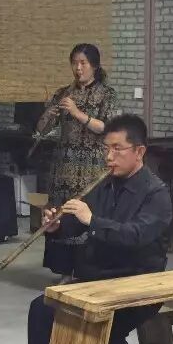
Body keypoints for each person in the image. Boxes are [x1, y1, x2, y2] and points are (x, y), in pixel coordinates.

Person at [26, 114, 171, 344]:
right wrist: (57, 225)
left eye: (118, 149)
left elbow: (135, 236)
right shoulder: (104, 183)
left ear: (139, 151)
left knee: (100, 325)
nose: (109, 156)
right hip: (97, 280)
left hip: (137, 283)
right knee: (42, 309)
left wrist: (92, 220)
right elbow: (78, 222)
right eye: (106, 148)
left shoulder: (156, 193)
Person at [34, 43, 119, 278]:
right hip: (63, 167)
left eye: (83, 63)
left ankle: (86, 271)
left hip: (92, 169)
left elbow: (107, 128)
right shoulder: (63, 93)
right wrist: (48, 115)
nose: (78, 68)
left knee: (85, 215)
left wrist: (76, 113)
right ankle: (64, 271)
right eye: (74, 63)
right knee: (60, 215)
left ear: (95, 66)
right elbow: (41, 130)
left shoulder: (107, 94)